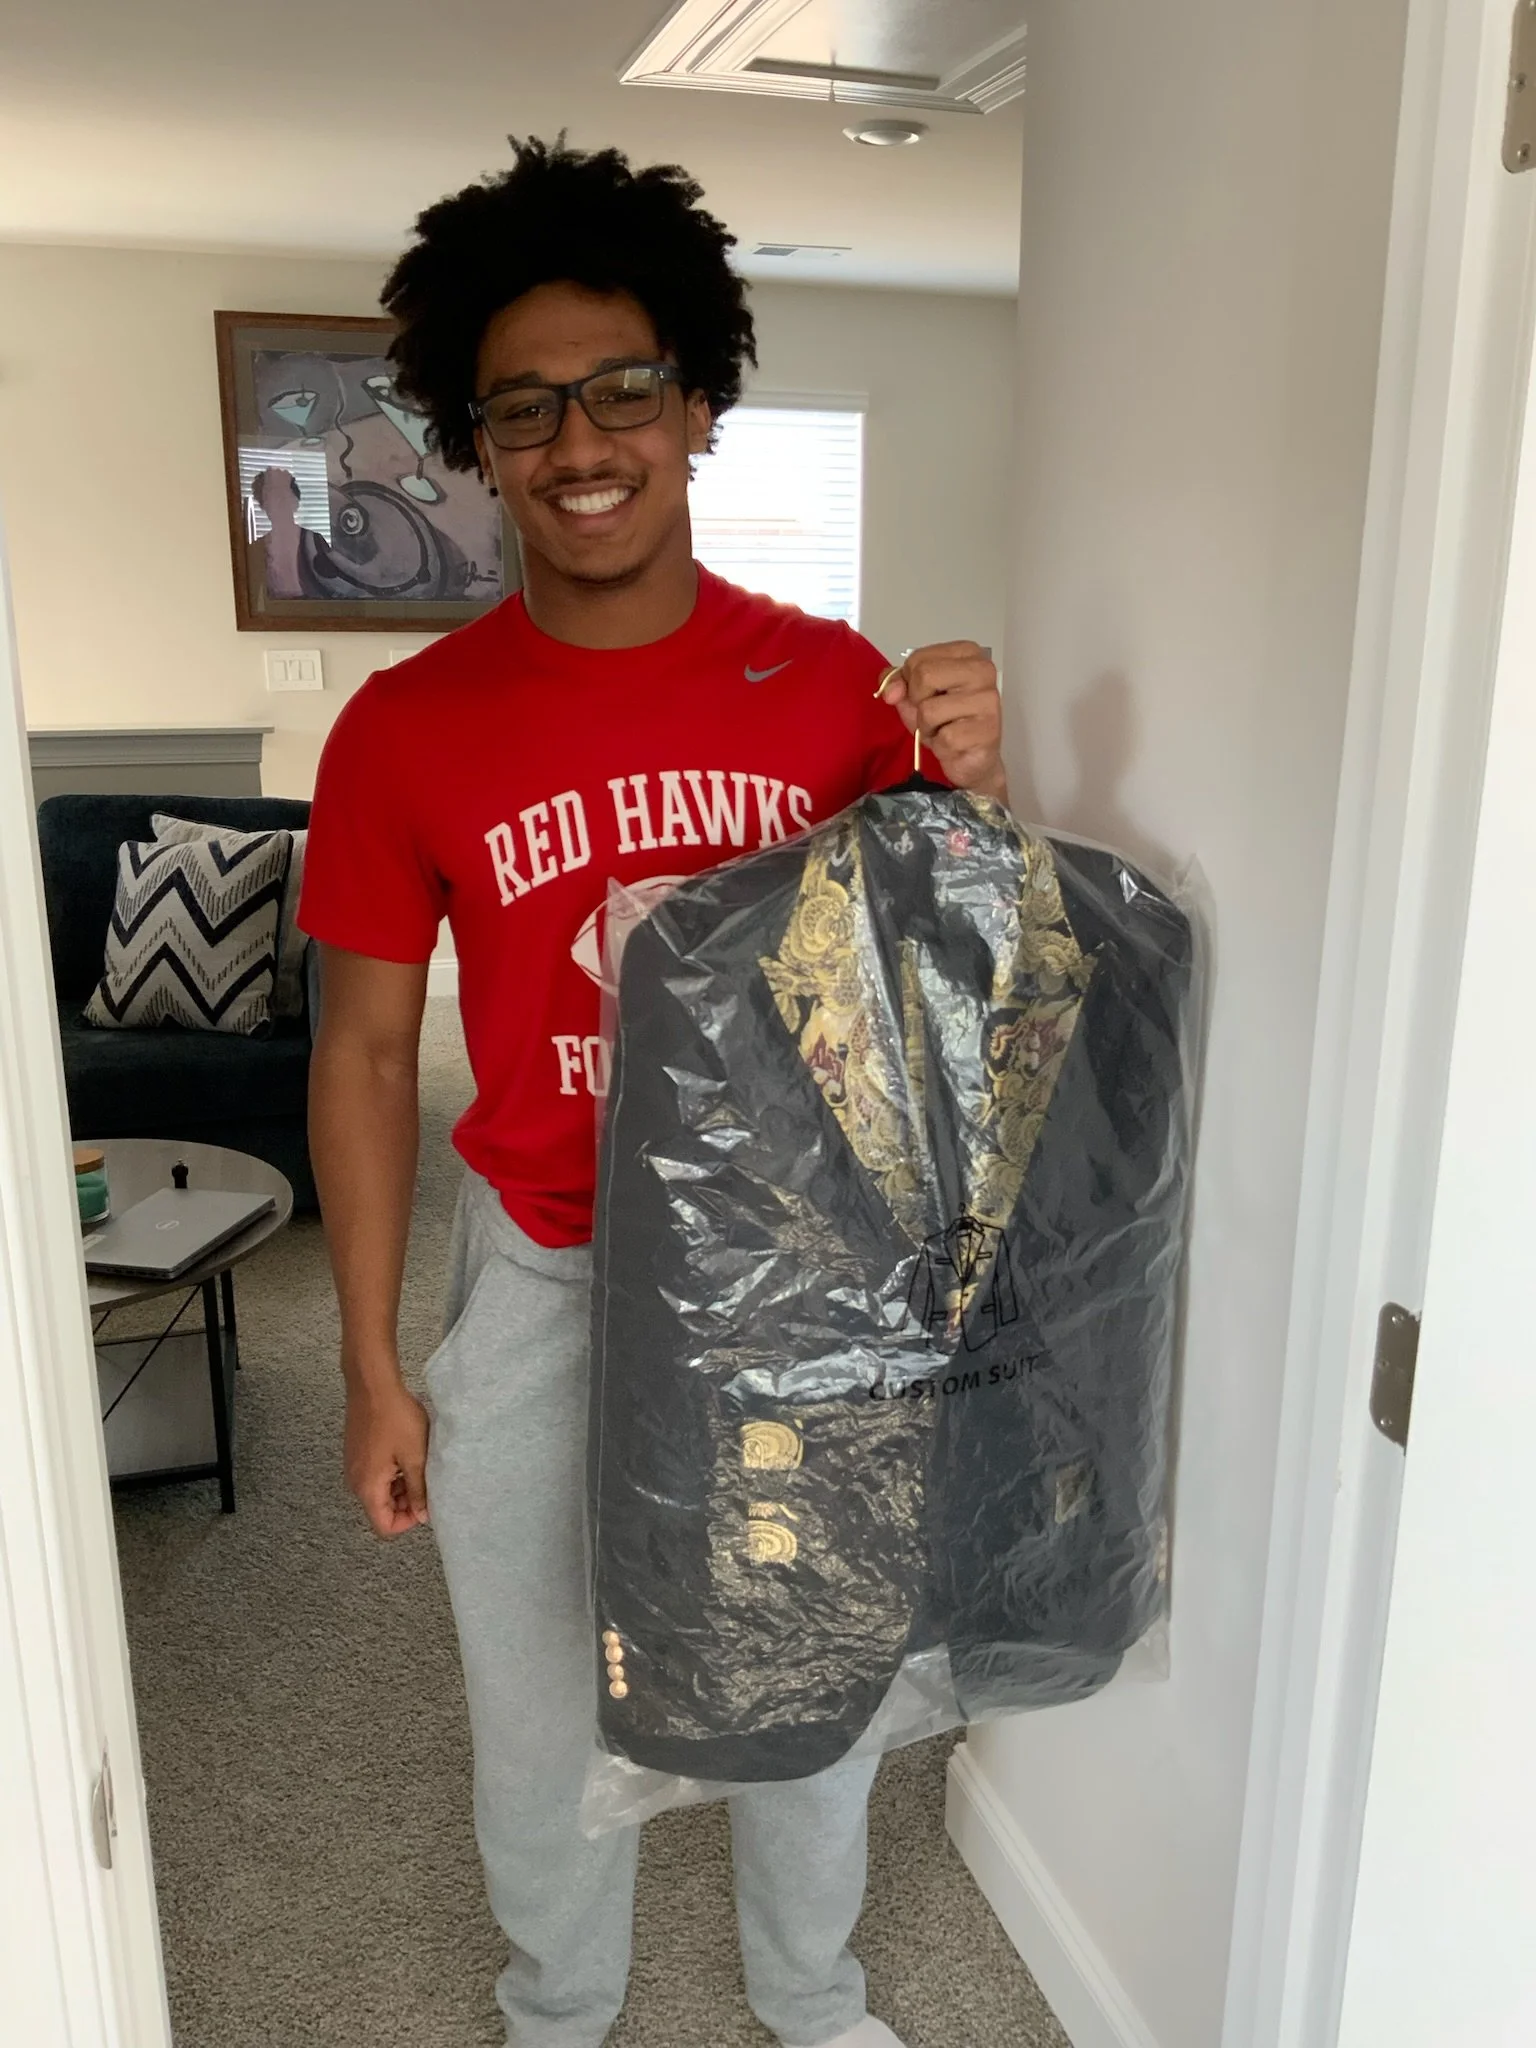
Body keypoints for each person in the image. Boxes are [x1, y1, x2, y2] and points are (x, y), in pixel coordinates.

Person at [298, 134, 1007, 2048]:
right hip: (538, 1269)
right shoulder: (404, 728)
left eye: (625, 386)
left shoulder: (835, 685)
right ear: (474, 438)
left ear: (697, 407)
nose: (579, 437)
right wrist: (370, 1357)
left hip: (794, 1279)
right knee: (532, 1693)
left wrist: (971, 778)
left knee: (805, 1671)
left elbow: (946, 985)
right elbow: (364, 1050)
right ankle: (558, 2009)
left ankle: (816, 1995)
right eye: (522, 405)